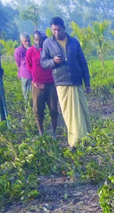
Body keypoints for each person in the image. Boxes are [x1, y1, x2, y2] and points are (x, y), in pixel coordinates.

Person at [40, 17, 92, 148]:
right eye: (54, 30)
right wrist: (53, 61)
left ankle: (87, 138)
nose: (56, 32)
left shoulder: (74, 42)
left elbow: (83, 62)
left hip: (76, 81)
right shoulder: (47, 43)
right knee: (70, 114)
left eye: (58, 29)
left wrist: (87, 82)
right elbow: (43, 63)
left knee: (82, 111)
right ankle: (75, 141)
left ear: (63, 28)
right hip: (62, 83)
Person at [26, 31, 59, 136]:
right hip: (37, 85)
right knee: (38, 110)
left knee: (53, 109)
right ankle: (41, 132)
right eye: (36, 39)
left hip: (51, 83)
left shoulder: (49, 50)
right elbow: (29, 66)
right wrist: (36, 77)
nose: (38, 41)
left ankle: (54, 132)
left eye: (40, 39)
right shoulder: (30, 51)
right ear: (33, 39)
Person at [14, 33, 32, 105]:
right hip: (25, 75)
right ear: (21, 42)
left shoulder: (33, 49)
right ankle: (28, 110)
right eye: (25, 41)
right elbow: (18, 63)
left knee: (34, 95)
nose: (27, 43)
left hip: (34, 76)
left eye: (28, 41)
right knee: (26, 94)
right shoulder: (18, 50)